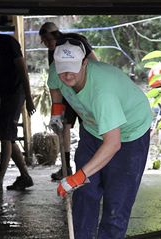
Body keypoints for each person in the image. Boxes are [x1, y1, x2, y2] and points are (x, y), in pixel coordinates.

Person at [48, 39, 152, 239]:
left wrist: (76, 176)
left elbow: (113, 144)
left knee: (117, 202)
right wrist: (56, 110)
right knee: (85, 195)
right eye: (63, 68)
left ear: (85, 62)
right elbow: (54, 85)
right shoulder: (59, 70)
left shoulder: (102, 91)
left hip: (129, 135)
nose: (67, 74)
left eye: (73, 67)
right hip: (94, 131)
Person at [0, 18, 36, 193]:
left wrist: (28, 96)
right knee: (7, 136)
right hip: (0, 93)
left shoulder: (8, 42)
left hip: (14, 93)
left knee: (5, 137)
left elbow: (23, 69)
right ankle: (25, 177)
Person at [38, 22, 98, 180]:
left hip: (86, 91)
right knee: (64, 126)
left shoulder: (75, 41)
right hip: (67, 94)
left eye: (48, 40)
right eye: (44, 42)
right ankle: (66, 167)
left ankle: (92, 166)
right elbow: (54, 80)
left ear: (56, 35)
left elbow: (95, 63)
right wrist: (55, 113)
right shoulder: (53, 52)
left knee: (89, 124)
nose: (46, 44)